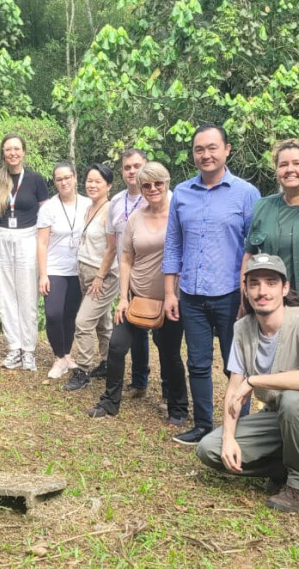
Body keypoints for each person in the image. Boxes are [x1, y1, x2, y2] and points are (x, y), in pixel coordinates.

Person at [195, 254, 299, 512]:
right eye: (254, 284)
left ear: (285, 288)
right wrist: (229, 439)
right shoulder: (242, 328)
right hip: (279, 418)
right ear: (245, 290)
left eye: (270, 282)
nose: (262, 291)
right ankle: (289, 467)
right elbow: (234, 389)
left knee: (292, 399)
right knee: (209, 449)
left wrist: (254, 380)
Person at [163, 123, 261, 446]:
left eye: (212, 148)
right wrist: (169, 293)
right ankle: (204, 424)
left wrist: (251, 294)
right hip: (191, 294)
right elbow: (173, 245)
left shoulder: (246, 194)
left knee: (237, 366)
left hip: (233, 297)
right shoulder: (182, 193)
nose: (205, 155)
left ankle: (241, 429)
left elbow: (255, 246)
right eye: (199, 149)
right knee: (198, 362)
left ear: (227, 150)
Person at [85, 162, 188, 425]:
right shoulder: (135, 218)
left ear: (167, 184)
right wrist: (123, 297)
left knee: (169, 352)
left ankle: (176, 407)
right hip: (137, 296)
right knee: (118, 347)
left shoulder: (180, 216)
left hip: (170, 299)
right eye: (146, 185)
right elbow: (127, 258)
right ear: (140, 188)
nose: (153, 189)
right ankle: (110, 402)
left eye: (158, 184)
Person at [244, 138, 299, 310]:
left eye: (297, 163)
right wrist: (244, 298)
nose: (290, 169)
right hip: (270, 308)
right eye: (283, 164)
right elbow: (249, 256)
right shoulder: (263, 207)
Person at [94, 149, 153, 396]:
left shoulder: (162, 197)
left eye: (137, 166)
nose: (132, 171)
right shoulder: (116, 202)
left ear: (146, 166)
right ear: (122, 171)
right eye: (127, 167)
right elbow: (111, 246)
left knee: (163, 339)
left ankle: (172, 396)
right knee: (134, 331)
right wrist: (103, 275)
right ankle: (139, 382)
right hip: (125, 277)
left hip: (154, 278)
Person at [0, 134, 49, 371]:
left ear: (23, 152)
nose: (12, 153)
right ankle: (14, 347)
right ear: (2, 153)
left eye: (16, 149)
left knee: (27, 297)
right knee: (5, 296)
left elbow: (45, 215)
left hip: (27, 237)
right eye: (7, 149)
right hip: (2, 236)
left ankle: (29, 350)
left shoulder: (35, 180)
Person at [62, 163, 117, 388]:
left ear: (109, 186)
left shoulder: (110, 210)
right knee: (102, 321)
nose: (92, 185)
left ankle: (82, 370)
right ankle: (108, 363)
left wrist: (100, 277)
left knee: (83, 322)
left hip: (102, 275)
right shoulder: (89, 206)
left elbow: (112, 249)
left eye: (98, 182)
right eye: (89, 181)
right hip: (85, 269)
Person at [38, 162, 91, 378]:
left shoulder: (88, 204)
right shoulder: (49, 207)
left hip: (79, 267)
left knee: (70, 315)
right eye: (59, 179)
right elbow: (41, 242)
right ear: (55, 182)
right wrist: (43, 274)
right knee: (53, 314)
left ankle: (68, 355)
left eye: (67, 177)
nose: (64, 182)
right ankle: (58, 357)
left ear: (75, 177)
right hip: (55, 268)